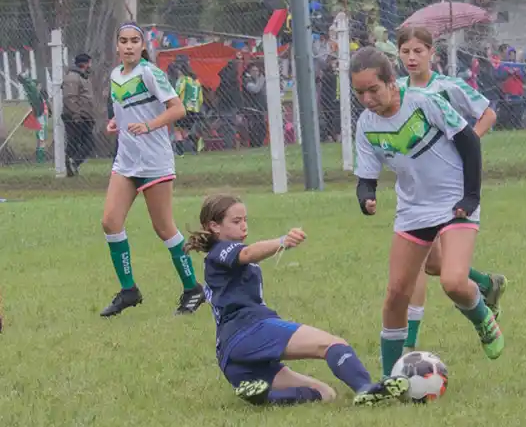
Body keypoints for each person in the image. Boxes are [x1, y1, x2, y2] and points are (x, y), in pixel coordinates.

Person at [351, 47, 505, 377]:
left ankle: (482, 317)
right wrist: (366, 197)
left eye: (372, 89)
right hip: (413, 210)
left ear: (391, 82)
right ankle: (391, 377)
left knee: (452, 281)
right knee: (395, 295)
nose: (366, 98)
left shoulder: (423, 102)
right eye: (359, 92)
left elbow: (469, 143)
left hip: (454, 202)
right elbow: (366, 177)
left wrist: (471, 196)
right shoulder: (366, 124)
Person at [184, 194, 410, 406]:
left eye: (245, 219)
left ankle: (265, 396)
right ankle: (365, 389)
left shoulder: (218, 257)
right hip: (249, 330)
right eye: (236, 221)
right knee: (333, 344)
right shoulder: (221, 251)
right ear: (214, 226)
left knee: (325, 394)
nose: (244, 225)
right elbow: (248, 253)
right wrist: (282, 241)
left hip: (232, 358)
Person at [395, 26, 506, 353]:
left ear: (432, 53)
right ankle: (486, 283)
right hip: (417, 192)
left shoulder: (447, 86)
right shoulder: (396, 90)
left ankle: (409, 344)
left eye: (419, 51)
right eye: (406, 52)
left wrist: (467, 142)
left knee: (440, 272)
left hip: (453, 188)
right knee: (428, 264)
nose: (412, 57)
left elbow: (489, 113)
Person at [100, 21, 205, 317]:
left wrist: (149, 125)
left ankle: (192, 289)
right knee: (110, 221)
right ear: (117, 46)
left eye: (135, 40)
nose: (129, 45)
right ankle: (129, 291)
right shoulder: (114, 75)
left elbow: (178, 109)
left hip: (154, 161)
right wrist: (115, 124)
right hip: (126, 160)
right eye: (124, 40)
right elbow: (125, 111)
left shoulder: (151, 72)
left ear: (143, 46)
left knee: (163, 228)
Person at [61, 53, 95, 176]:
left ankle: (71, 166)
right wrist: (76, 115)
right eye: (89, 63)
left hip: (84, 116)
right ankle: (73, 162)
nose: (91, 65)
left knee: (77, 143)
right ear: (85, 63)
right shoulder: (73, 77)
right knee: (85, 143)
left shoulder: (83, 77)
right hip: (76, 117)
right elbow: (70, 98)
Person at [173, 62, 203, 155]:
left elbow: (177, 92)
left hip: (183, 108)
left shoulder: (183, 80)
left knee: (177, 129)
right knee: (185, 131)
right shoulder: (196, 82)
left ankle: (180, 152)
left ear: (180, 71)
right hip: (194, 110)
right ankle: (193, 138)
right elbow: (200, 98)